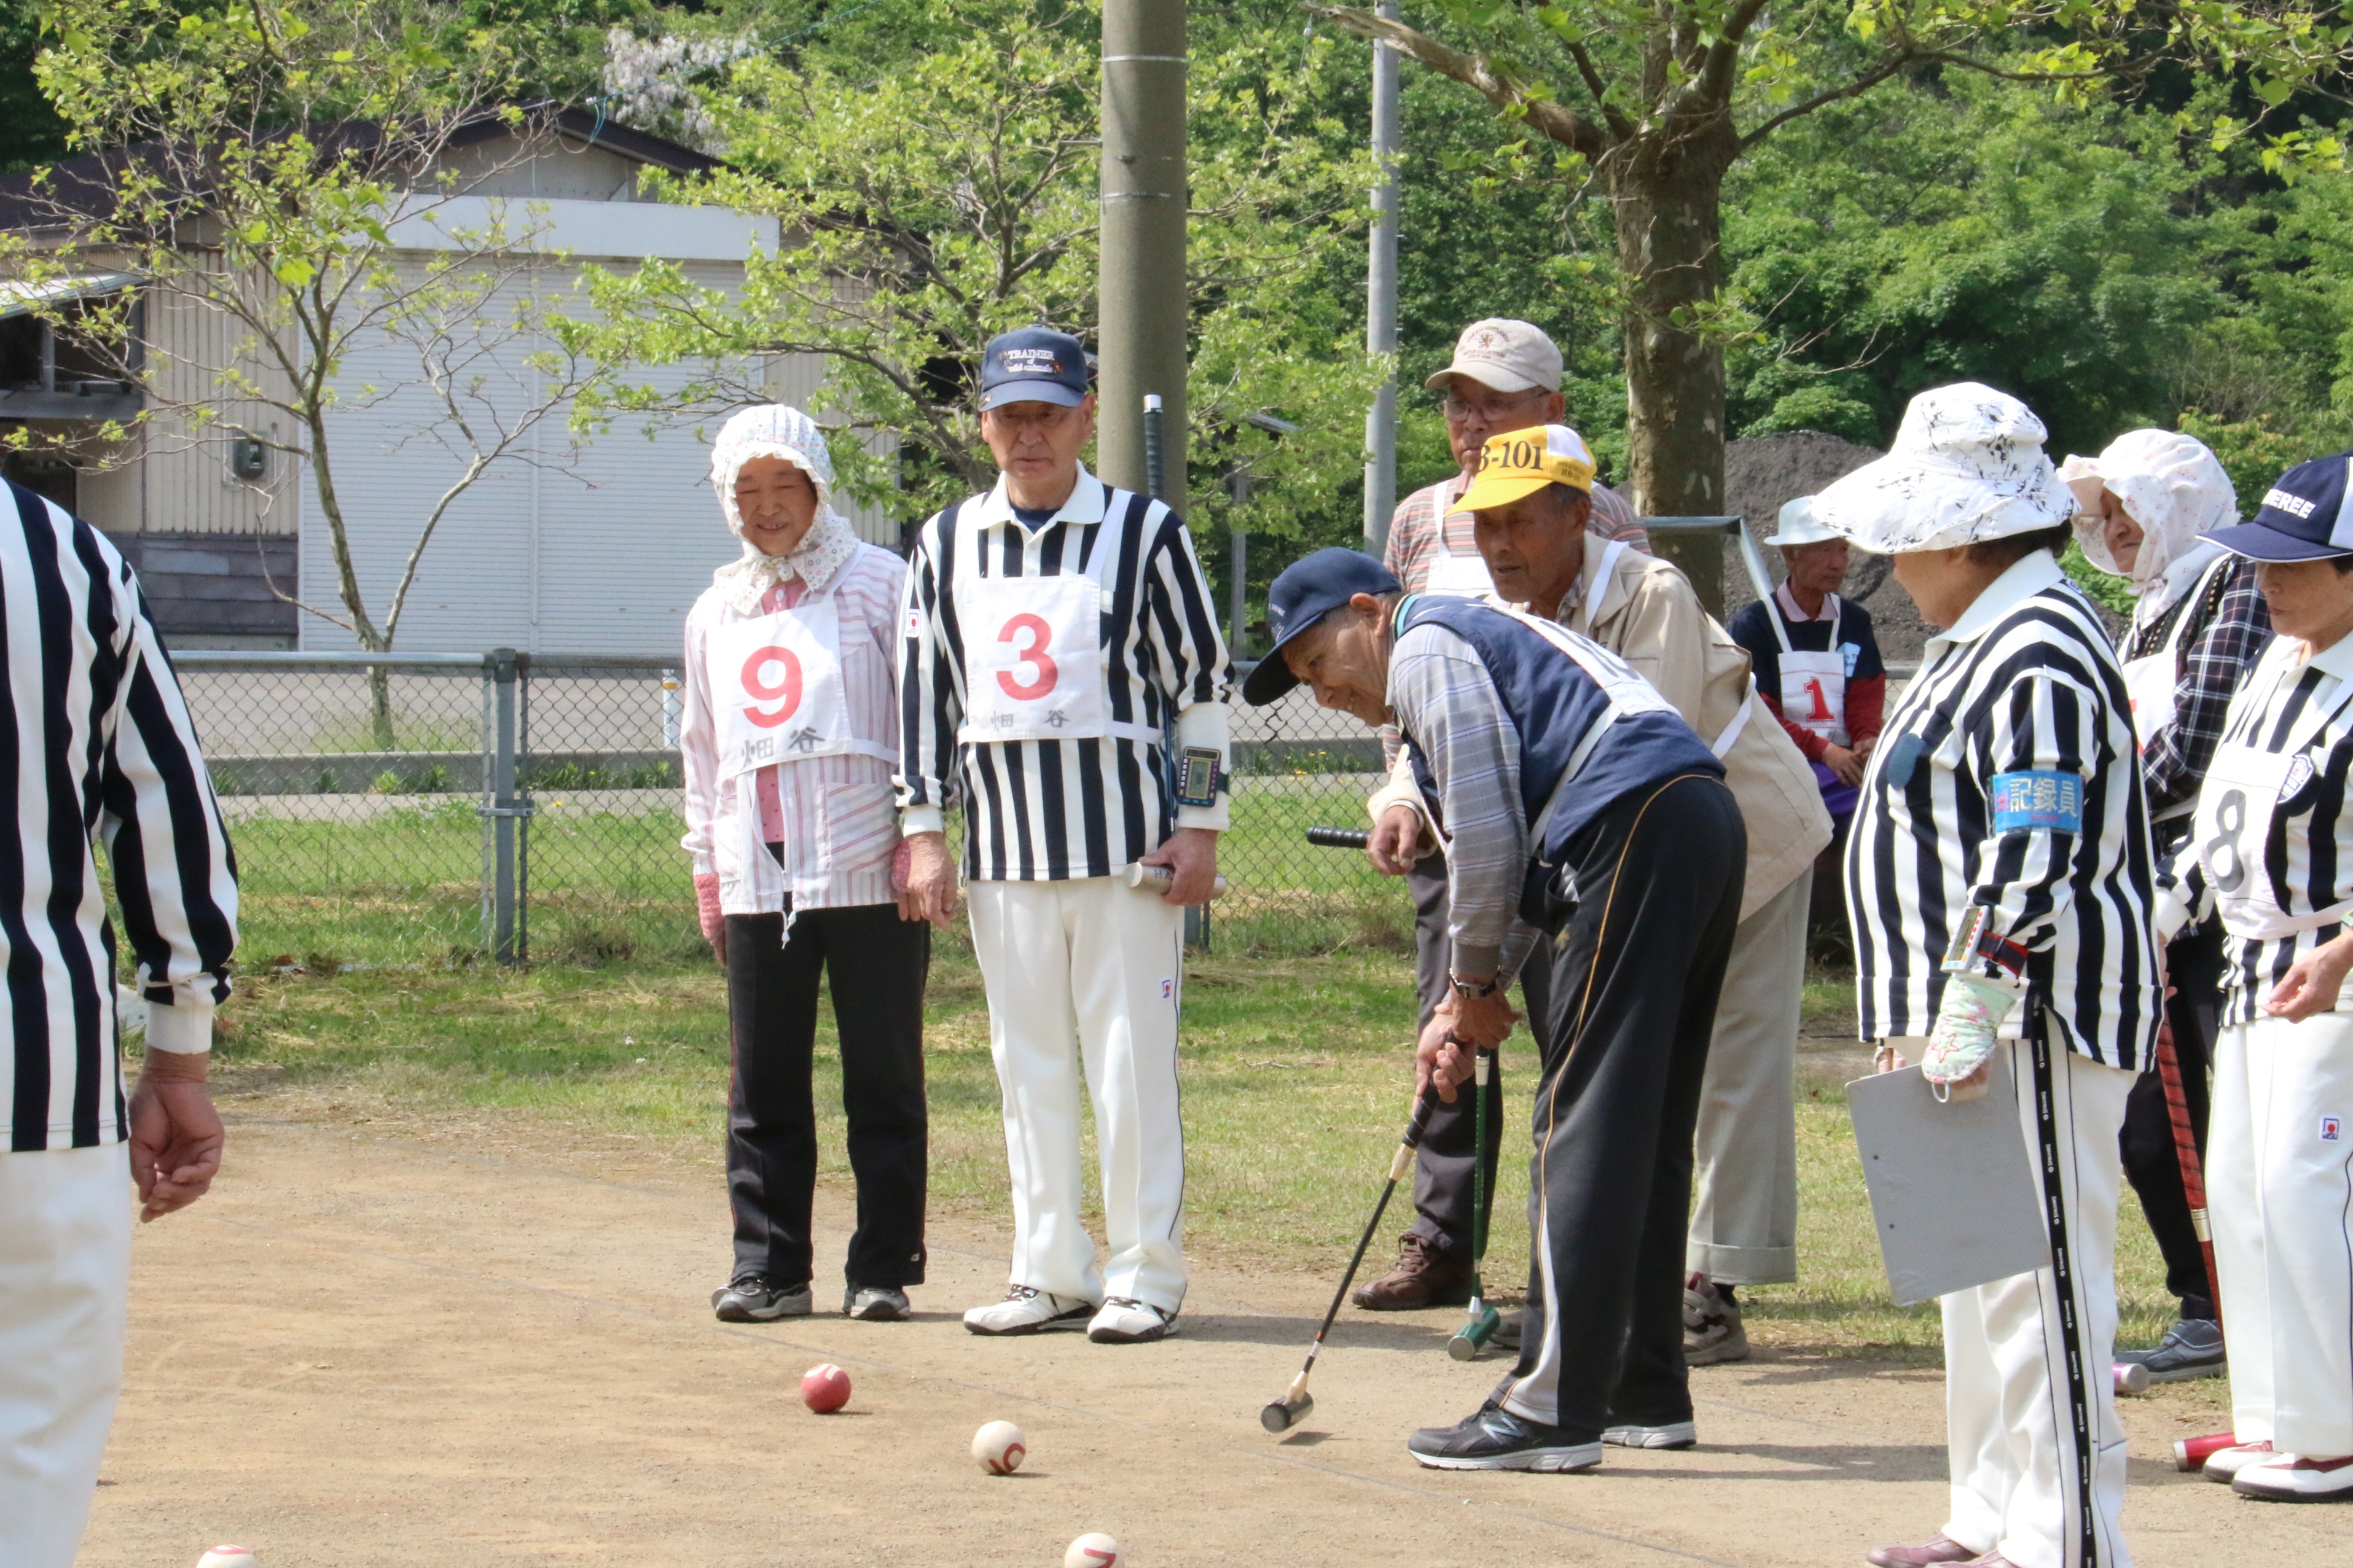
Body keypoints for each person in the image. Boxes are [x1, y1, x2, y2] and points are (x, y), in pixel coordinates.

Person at [1244, 539, 1745, 1473]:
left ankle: (1551, 1404)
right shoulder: (1475, 641)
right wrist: (1466, 1002)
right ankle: (1642, 1386)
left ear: (1367, 608)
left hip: (1633, 821)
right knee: (1644, 1118)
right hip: (1690, 817)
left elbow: (1480, 829)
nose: (1322, 691)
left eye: (1318, 660)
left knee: (1577, 1123)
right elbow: (1517, 859)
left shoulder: (1426, 643)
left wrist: (1470, 988)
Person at [1377, 424, 1830, 1374]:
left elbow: (1633, 763)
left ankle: (1712, 1288)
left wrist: (1488, 950)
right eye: (1485, 525)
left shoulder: (1647, 591)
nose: (1500, 545)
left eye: (1520, 522)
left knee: (1729, 1070)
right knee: (1620, 1072)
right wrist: (1409, 805)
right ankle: (1594, 1289)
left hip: (1747, 845)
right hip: (1640, 868)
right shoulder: (1503, 616)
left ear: (1578, 516)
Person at [1822, 386, 2158, 1568]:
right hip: (1967, 1022)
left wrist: (1973, 999)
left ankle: (2066, 1538)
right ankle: (1993, 1516)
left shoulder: (2040, 647)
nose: (1897, 558)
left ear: (1967, 533)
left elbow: (2037, 838)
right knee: (1979, 1275)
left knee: (2045, 1285)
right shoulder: (1990, 639)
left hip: (2030, 1022)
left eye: (1913, 530)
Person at [896, 327, 1229, 1346]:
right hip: (1003, 853)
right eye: (1010, 415)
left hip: (1129, 852)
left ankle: (1145, 1271)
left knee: (1130, 1065)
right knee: (1026, 1061)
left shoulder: (1147, 532)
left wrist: (1201, 822)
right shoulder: (945, 541)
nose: (1029, 433)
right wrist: (923, 830)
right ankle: (1048, 1266)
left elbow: (1202, 689)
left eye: (1049, 413)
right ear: (983, 423)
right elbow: (925, 696)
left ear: (1087, 416)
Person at [1354, 316, 1646, 1312]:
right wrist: (1400, 783)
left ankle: (1569, 1251)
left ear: (1553, 411)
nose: (1469, 420)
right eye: (1456, 400)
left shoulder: (1604, 514)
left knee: (1578, 1033)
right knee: (1451, 1018)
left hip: (1579, 824)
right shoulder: (1418, 519)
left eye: (1495, 399)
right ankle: (1442, 1238)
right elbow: (1398, 672)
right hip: (1459, 819)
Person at [0, 477, 239, 1566]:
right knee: (29, 1440)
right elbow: (166, 806)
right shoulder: (67, 557)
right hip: (35, 1083)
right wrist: (179, 1049)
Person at [681, 405, 930, 1325]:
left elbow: (921, 718)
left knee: (883, 1077)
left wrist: (921, 836)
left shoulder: (878, 583)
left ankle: (883, 1269)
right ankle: (769, 1265)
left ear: (820, 486)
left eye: (785, 485)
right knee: (764, 1084)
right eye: (747, 490)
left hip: (872, 868)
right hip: (760, 874)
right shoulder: (716, 608)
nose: (767, 507)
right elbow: (700, 751)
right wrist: (711, 873)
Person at [2148, 454, 2353, 1502]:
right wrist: (2163, 908)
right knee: (2240, 1194)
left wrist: (2344, 950)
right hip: (2249, 970)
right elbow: (2222, 814)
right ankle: (2274, 1416)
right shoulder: (2277, 663)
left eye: (2301, 567)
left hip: (2334, 980)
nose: (2271, 585)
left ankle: (2335, 1429)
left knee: (2300, 1189)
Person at [2058, 429, 2264, 1384]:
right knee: (2146, 1116)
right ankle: (2203, 1302)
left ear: (2173, 502)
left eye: (2125, 507)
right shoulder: (2145, 610)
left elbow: (2193, 742)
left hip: (2217, 893)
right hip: (2144, 884)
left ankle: (2258, 1303)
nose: (2113, 530)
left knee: (2240, 1114)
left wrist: (2097, 815)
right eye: (2103, 515)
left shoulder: (2233, 584)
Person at [1726, 497, 1888, 945]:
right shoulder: (1754, 624)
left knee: (1884, 796)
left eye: (1843, 549)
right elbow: (1758, 706)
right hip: (1780, 757)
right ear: (1791, 555)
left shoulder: (1855, 620)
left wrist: (1868, 737)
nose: (1839, 562)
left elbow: (1867, 689)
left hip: (1840, 759)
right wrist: (1823, 751)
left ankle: (1855, 927)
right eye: (1824, 550)